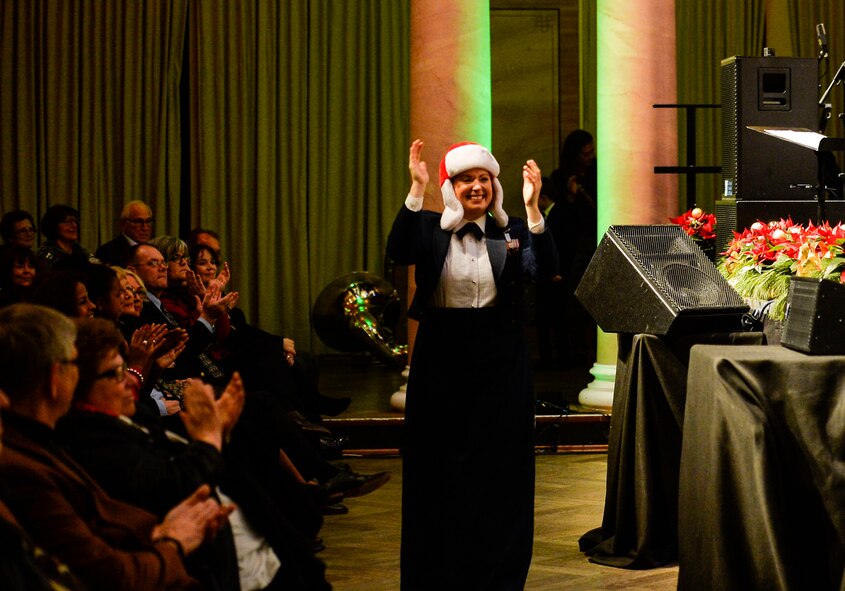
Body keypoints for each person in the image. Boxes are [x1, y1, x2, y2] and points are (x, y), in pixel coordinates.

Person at [386, 139, 559, 590]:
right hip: (442, 354)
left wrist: (534, 209)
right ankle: (437, 572)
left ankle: (497, 573)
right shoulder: (428, 227)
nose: (477, 186)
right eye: (466, 179)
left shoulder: (513, 231)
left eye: (484, 179)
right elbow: (398, 249)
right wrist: (415, 188)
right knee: (438, 467)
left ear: (494, 186)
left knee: (500, 469)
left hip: (501, 357)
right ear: (451, 187)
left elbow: (547, 269)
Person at [0, 302, 234, 590]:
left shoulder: (41, 438)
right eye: (73, 362)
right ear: (54, 379)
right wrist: (172, 540)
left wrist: (167, 528)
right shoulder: (25, 469)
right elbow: (110, 574)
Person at [548, 129, 598, 367]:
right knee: (572, 299)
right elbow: (558, 218)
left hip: (594, 238)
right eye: (585, 153)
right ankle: (574, 351)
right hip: (571, 244)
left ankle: (594, 349)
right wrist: (569, 195)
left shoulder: (597, 171)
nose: (589, 157)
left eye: (591, 152)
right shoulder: (560, 177)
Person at [35, 204, 94, 271]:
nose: (74, 225)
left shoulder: (83, 253)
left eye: (75, 222)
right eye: (68, 222)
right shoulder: (45, 255)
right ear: (53, 226)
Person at [95, 200, 154, 266]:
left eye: (148, 221)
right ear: (123, 224)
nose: (145, 228)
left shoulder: (155, 251)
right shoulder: (107, 252)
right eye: (138, 222)